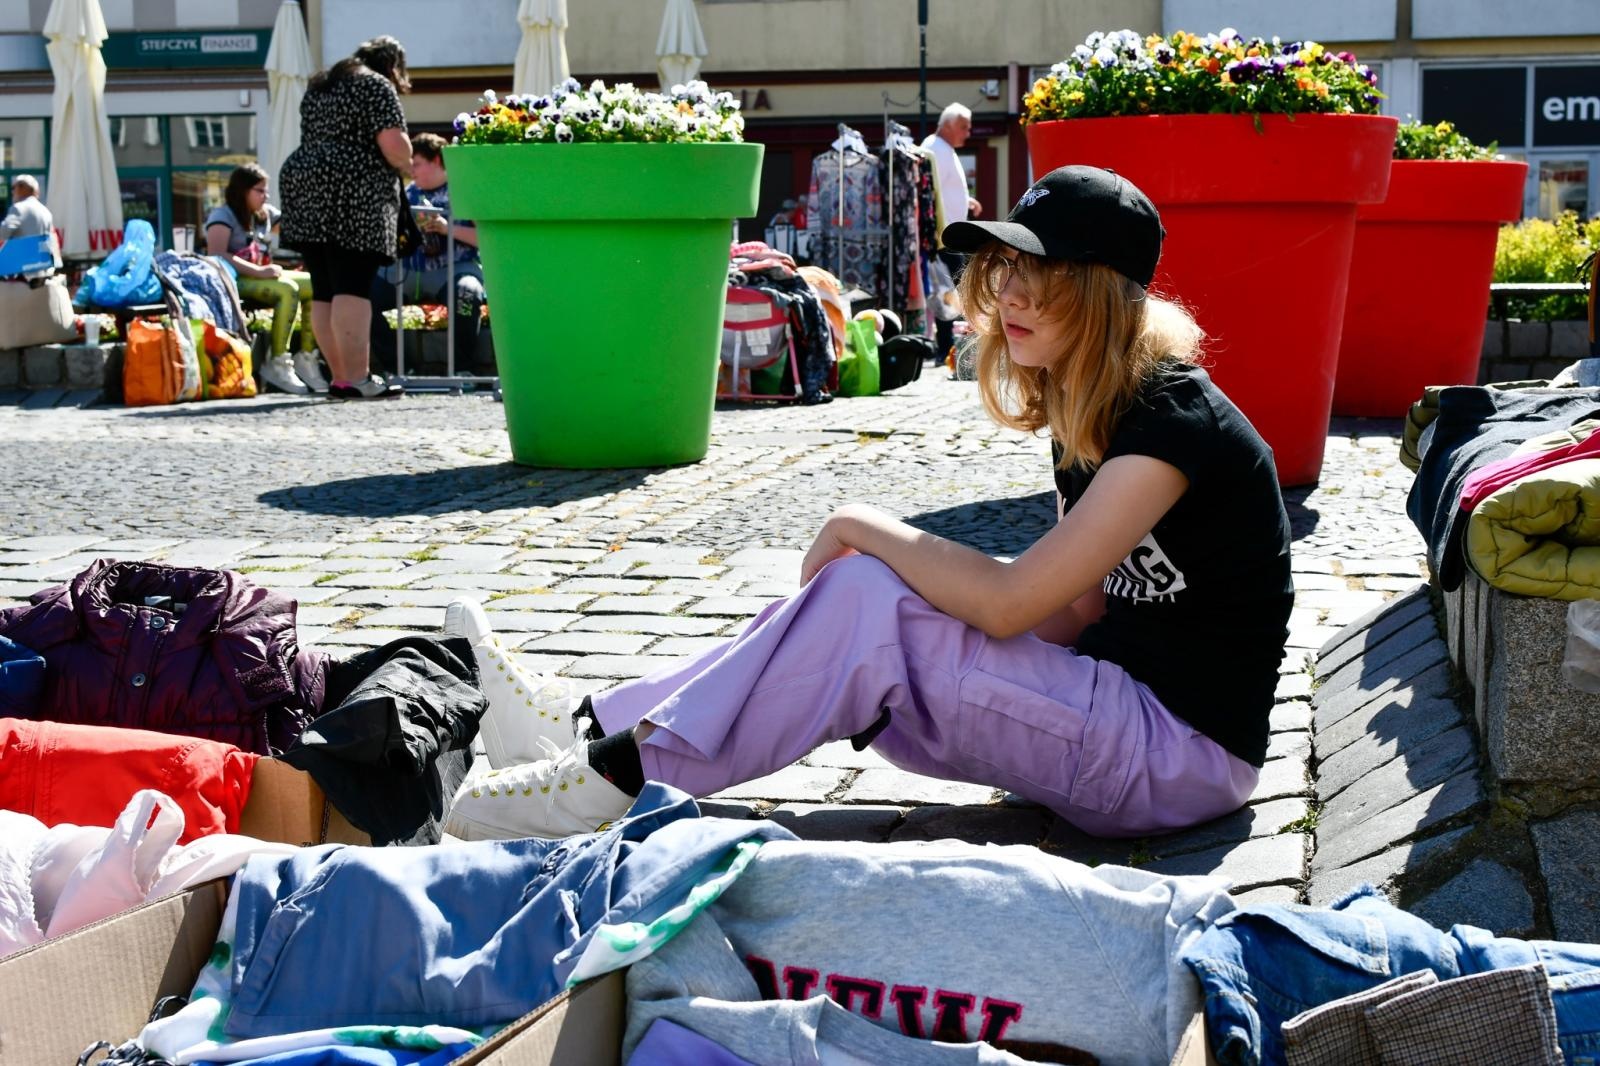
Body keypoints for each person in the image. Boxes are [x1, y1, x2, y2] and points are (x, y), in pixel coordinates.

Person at [439, 165, 1295, 842]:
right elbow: (1072, 613)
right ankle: (590, 728)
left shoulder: (1172, 422)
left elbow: (1012, 606)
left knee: (867, 598)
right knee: (865, 604)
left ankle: (611, 775)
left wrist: (866, 531)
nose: (1014, 299)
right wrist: (894, 613)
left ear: (1105, 295)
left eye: (1047, 276)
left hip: (1180, 759)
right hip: (1121, 715)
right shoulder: (1096, 403)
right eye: (1007, 271)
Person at [278, 34, 411, 400]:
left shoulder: (322, 84)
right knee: (353, 283)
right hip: (353, 187)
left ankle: (339, 378)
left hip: (304, 182)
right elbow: (393, 144)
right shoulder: (376, 84)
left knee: (325, 286)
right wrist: (409, 163)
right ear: (393, 65)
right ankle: (358, 378)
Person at [368, 133, 488, 376]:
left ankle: (463, 370)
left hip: (454, 268)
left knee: (467, 294)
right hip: (406, 270)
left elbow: (485, 240)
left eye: (417, 163)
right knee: (361, 298)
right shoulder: (403, 194)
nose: (411, 169)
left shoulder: (465, 192)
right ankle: (397, 368)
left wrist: (446, 228)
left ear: (437, 161)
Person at [205, 163, 320, 395]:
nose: (265, 196)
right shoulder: (222, 216)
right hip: (232, 281)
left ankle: (306, 357)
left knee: (317, 284)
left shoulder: (264, 214)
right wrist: (259, 272)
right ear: (242, 191)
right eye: (259, 190)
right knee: (287, 289)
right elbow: (216, 254)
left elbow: (296, 224)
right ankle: (277, 361)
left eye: (265, 190)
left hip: (262, 275)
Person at [922, 102, 983, 365]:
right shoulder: (933, 149)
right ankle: (948, 348)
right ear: (947, 125)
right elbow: (930, 193)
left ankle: (951, 347)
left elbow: (944, 189)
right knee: (949, 292)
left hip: (950, 235)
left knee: (953, 292)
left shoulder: (942, 149)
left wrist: (966, 200)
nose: (967, 133)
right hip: (943, 237)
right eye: (963, 127)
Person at [0, 175, 60, 278]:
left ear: (23, 188)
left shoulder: (18, 208)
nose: (12, 192)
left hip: (21, 269)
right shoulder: (45, 211)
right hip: (43, 268)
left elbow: (3, 233)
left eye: (14, 188)